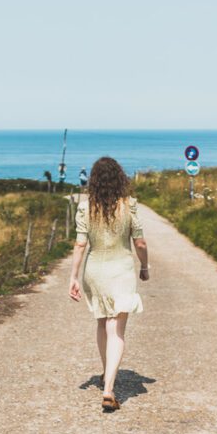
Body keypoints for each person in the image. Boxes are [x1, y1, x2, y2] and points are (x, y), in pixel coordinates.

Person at [68, 157, 150, 412]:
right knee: (117, 329)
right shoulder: (130, 206)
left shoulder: (86, 207)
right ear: (120, 179)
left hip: (95, 271)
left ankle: (106, 373)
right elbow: (140, 243)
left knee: (103, 322)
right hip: (121, 271)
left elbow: (80, 244)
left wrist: (73, 276)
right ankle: (109, 389)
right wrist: (145, 267)